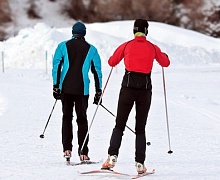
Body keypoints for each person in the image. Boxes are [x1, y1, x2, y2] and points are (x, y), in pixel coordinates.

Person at [102, 19, 170, 174]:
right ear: (146, 31)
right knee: (140, 128)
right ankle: (140, 164)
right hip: (145, 91)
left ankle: (112, 157)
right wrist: (164, 55)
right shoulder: (152, 47)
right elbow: (165, 63)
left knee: (119, 124)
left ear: (134, 31)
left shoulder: (126, 45)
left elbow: (112, 62)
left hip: (127, 89)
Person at [52, 21, 102, 163]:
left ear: (73, 32)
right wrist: (99, 91)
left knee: (66, 117)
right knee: (82, 119)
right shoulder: (91, 49)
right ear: (84, 33)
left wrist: (56, 86)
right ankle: (83, 153)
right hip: (82, 90)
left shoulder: (62, 46)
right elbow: (97, 72)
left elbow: (56, 66)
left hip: (66, 89)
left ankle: (67, 149)